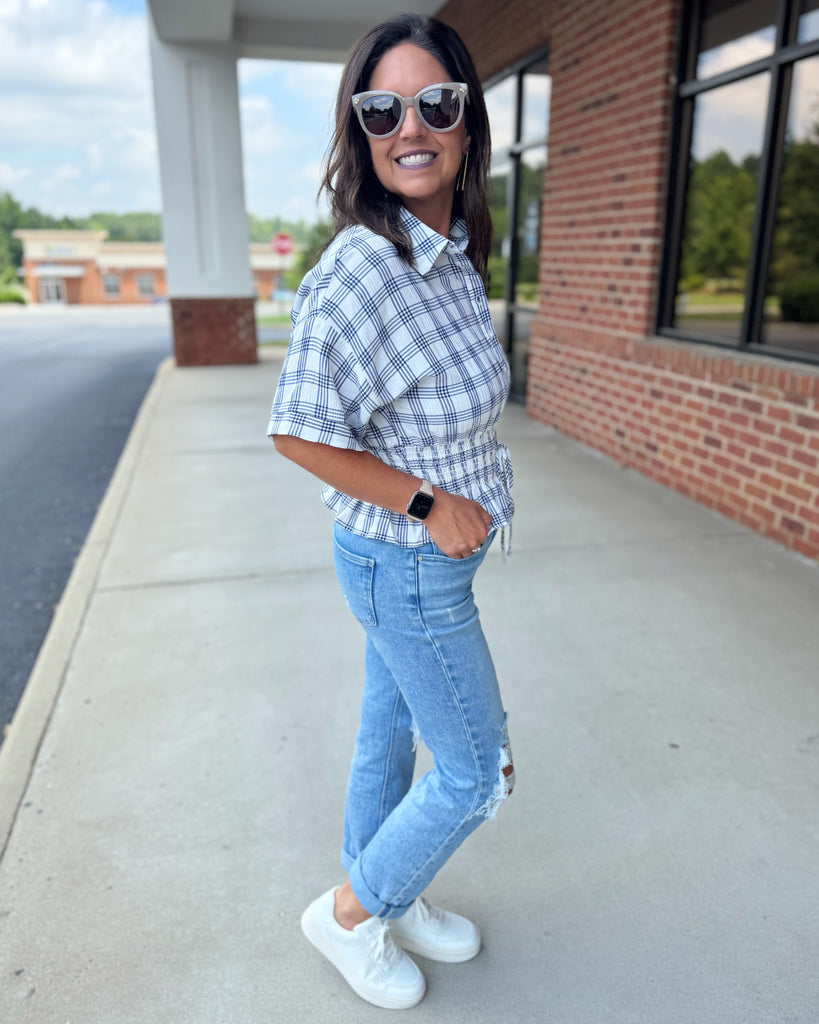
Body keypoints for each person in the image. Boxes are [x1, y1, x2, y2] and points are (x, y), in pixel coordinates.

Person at [267, 13, 515, 1011]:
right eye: (382, 110)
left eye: (434, 103)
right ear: (360, 132)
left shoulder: (448, 252)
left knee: (389, 736)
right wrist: (429, 499)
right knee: (474, 771)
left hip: (415, 565)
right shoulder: (361, 269)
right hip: (403, 559)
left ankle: (387, 894)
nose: (409, 126)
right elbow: (297, 430)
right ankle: (350, 913)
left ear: (466, 122)